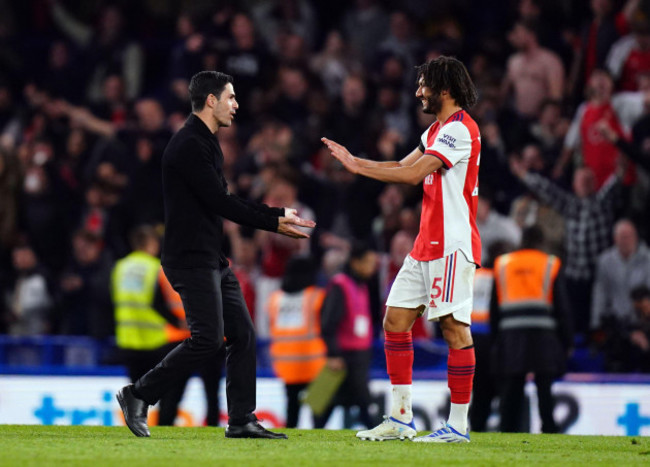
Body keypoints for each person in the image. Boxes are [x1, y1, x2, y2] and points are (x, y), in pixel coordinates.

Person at [116, 71, 315, 439]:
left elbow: (219, 201)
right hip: (189, 258)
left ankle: (241, 419)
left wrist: (272, 219)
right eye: (231, 97)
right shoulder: (190, 145)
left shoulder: (205, 142)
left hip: (210, 258)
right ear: (211, 100)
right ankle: (138, 394)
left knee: (242, 334)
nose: (236, 105)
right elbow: (220, 202)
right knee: (208, 338)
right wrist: (274, 219)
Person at [322, 55, 481, 443]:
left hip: (452, 245)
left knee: (453, 328)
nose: (417, 92)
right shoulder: (436, 131)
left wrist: (358, 168)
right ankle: (401, 418)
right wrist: (355, 162)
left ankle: (458, 425)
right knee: (394, 319)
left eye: (424, 85)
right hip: (425, 243)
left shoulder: (459, 130)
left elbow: (411, 174)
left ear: (443, 89)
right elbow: (399, 164)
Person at [491, 226, 572, 433]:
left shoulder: (502, 264)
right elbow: (563, 307)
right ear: (541, 241)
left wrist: (496, 341)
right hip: (543, 335)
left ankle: (507, 430)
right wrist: (567, 341)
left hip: (511, 335)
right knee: (544, 389)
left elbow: (494, 309)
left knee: (511, 389)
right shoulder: (550, 263)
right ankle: (549, 429)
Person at [111, 225, 189, 426]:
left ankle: (137, 426)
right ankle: (161, 429)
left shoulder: (120, 268)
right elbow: (161, 303)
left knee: (137, 394)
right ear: (151, 244)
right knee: (165, 392)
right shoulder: (156, 268)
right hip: (157, 340)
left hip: (128, 339)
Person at [315, 243, 379, 429]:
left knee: (328, 403)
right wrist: (333, 354)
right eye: (368, 262)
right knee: (362, 403)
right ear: (355, 263)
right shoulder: (340, 285)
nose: (372, 267)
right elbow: (327, 323)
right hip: (344, 356)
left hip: (359, 356)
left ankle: (311, 431)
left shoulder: (361, 286)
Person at [267, 256, 326, 428]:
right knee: (318, 413)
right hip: (313, 363)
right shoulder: (316, 297)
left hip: (286, 365)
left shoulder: (275, 299)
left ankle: (290, 442)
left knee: (291, 411)